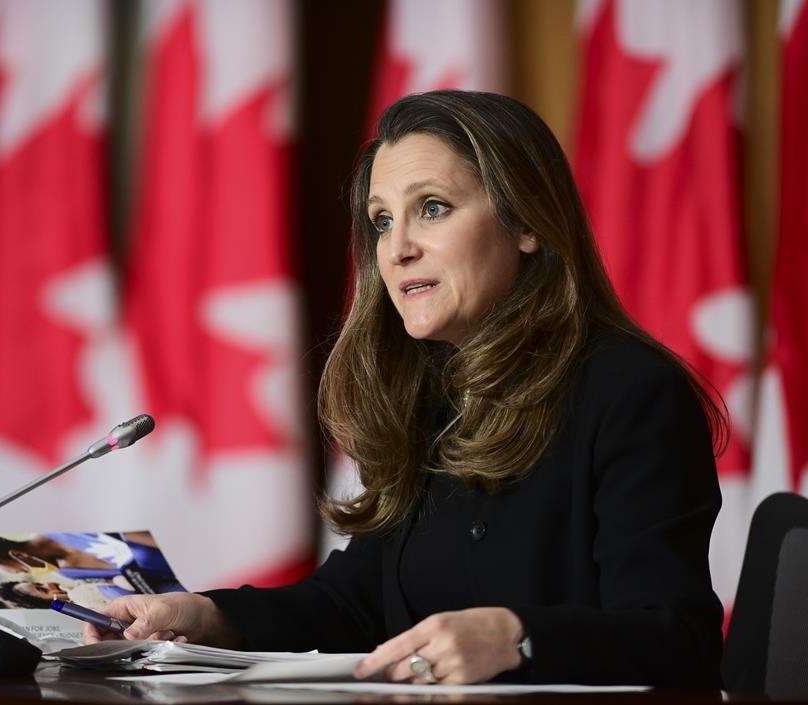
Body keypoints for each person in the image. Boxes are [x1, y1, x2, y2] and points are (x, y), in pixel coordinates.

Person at [84, 90, 725, 687]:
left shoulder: (633, 393)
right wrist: (204, 618)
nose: (397, 250)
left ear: (526, 223)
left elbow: (678, 641)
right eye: (382, 221)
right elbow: (354, 600)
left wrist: (517, 638)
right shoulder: (432, 393)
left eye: (433, 209)